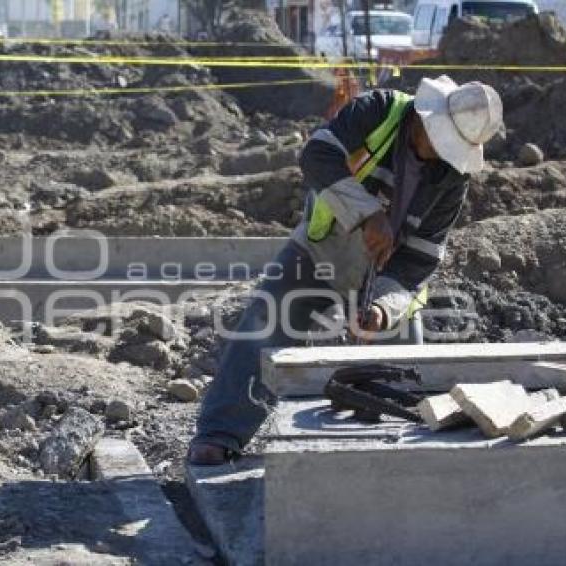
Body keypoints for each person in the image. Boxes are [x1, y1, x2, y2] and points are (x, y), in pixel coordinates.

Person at [189, 76, 504, 465]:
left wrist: (383, 308)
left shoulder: (452, 177)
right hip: (323, 247)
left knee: (401, 368)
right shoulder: (380, 110)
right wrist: (369, 214)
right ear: (427, 118)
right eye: (440, 141)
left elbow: (420, 259)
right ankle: (221, 433)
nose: (441, 153)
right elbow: (317, 156)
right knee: (265, 321)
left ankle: (393, 456)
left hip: (386, 273)